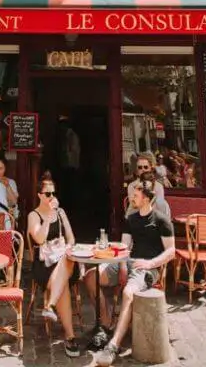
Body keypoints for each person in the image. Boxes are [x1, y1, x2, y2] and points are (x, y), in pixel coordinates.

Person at [95, 172, 175, 366]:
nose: (131, 197)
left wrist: (150, 263)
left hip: (147, 267)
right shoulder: (131, 218)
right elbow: (124, 246)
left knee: (129, 292)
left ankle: (113, 344)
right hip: (129, 262)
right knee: (93, 276)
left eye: (136, 195)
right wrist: (122, 265)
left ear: (146, 199)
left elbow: (171, 251)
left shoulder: (162, 220)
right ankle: (105, 324)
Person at [27, 173, 80, 359]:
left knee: (67, 260)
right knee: (63, 285)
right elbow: (40, 238)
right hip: (44, 266)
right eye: (47, 194)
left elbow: (71, 238)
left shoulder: (61, 212)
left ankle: (50, 306)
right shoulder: (33, 216)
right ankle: (70, 337)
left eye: (53, 193)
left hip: (63, 260)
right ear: (39, 195)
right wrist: (48, 217)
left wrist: (67, 246)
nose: (51, 197)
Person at [127, 153, 170, 218]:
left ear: (151, 168)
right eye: (140, 167)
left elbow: (159, 206)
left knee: (163, 204)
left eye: (145, 167)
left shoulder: (158, 186)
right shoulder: (132, 186)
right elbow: (134, 206)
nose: (143, 169)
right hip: (137, 217)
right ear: (137, 170)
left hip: (154, 217)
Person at [0, 152, 19, 220]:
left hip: (7, 217)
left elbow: (14, 202)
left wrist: (7, 186)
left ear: (5, 169)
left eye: (1, 168)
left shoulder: (11, 182)